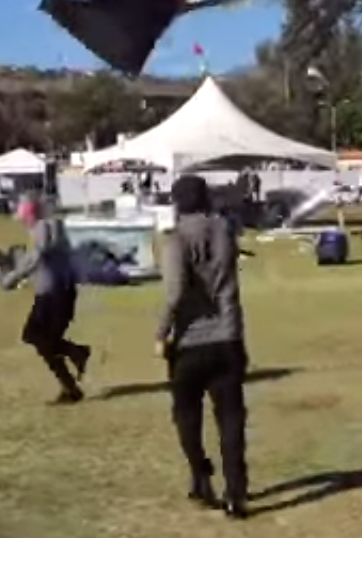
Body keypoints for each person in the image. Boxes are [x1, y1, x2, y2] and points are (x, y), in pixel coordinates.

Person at [157, 175, 251, 520]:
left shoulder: (175, 240)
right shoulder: (225, 231)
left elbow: (175, 292)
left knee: (186, 415)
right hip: (228, 336)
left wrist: (160, 332)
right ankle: (236, 492)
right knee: (230, 417)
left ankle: (201, 473)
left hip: (190, 341)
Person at [1, 192, 90, 405]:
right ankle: (71, 387)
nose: (21, 220)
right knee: (42, 340)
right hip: (56, 292)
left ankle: (77, 354)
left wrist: (12, 277)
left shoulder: (44, 226)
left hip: (55, 294)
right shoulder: (49, 226)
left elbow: (37, 256)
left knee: (36, 336)